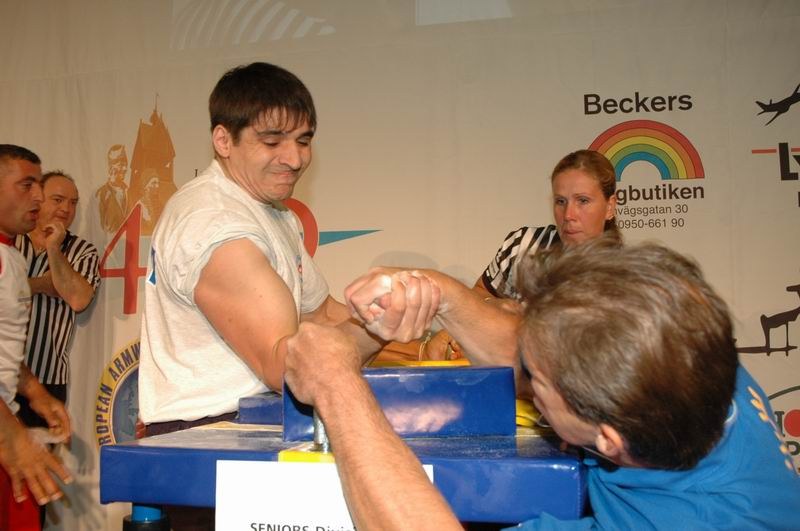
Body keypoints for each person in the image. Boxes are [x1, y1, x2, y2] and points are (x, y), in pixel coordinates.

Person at [284, 237, 800, 530]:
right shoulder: (686, 353)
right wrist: (438, 293)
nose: (523, 374)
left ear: (608, 441)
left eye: (538, 381)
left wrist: (334, 382)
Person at [137, 63, 433, 529]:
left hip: (257, 432)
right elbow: (286, 363)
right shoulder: (214, 224)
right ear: (223, 141)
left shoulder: (274, 216)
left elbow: (322, 315)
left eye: (304, 140)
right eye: (272, 141)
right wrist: (382, 327)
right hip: (207, 448)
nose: (293, 158)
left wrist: (421, 345)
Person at [421, 149, 619, 360]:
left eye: (583, 201)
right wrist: (480, 314)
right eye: (561, 201)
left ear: (610, 207)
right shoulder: (523, 245)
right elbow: (479, 295)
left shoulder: (626, 277)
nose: (569, 215)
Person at [0, 145, 72, 526]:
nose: (39, 197)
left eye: (38, 186)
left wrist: (36, 392)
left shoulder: (12, 254)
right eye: (26, 185)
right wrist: (11, 434)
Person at [14, 170, 100, 431]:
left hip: (48, 379)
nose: (66, 208)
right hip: (5, 374)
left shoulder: (82, 251)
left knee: (39, 468)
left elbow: (78, 298)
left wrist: (54, 247)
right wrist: (41, 284)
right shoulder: (10, 241)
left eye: (73, 203)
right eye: (58, 200)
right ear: (38, 199)